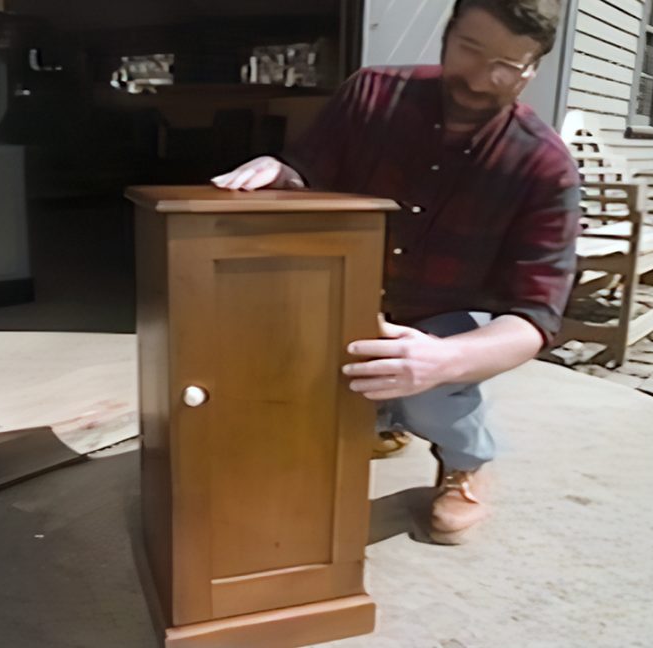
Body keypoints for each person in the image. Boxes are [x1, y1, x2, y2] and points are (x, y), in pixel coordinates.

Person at [211, 0, 581, 544]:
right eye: (469, 50)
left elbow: (534, 317)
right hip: (347, 289)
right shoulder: (372, 93)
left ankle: (464, 461)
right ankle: (381, 419)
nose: (480, 78)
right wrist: (282, 172)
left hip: (450, 317)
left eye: (507, 64)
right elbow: (310, 170)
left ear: (533, 68)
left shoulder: (545, 167)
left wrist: (443, 360)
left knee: (433, 391)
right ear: (446, 33)